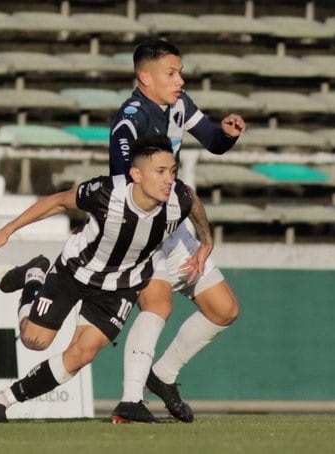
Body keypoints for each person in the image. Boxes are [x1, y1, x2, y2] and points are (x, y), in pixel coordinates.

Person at [0, 133, 214, 423]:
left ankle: (2, 401)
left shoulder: (178, 198)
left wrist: (206, 241)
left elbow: (195, 203)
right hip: (75, 271)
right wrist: (6, 231)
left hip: (121, 286)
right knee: (34, 340)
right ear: (136, 174)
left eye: (172, 171)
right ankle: (34, 276)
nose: (168, 180)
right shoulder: (106, 193)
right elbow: (58, 202)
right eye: (160, 172)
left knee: (81, 355)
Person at [106, 38, 244, 423]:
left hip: (173, 226)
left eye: (180, 71)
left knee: (224, 309)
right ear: (144, 77)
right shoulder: (130, 119)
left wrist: (227, 133)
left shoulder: (180, 105)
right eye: (171, 72)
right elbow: (121, 182)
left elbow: (213, 141)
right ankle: (130, 401)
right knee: (158, 304)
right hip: (141, 230)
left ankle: (162, 376)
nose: (180, 79)